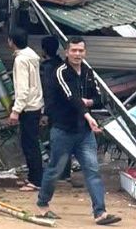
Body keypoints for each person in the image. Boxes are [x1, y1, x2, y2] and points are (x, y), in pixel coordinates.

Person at [36, 37, 121, 225]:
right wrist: (88, 115)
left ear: (85, 53)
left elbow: (99, 98)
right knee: (54, 170)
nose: (77, 54)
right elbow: (71, 97)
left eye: (80, 51)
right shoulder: (61, 72)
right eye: (73, 50)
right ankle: (43, 203)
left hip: (84, 133)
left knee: (92, 170)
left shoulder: (88, 73)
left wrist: (89, 103)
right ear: (66, 52)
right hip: (63, 130)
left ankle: (100, 213)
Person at [7, 27, 44, 191]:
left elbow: (23, 88)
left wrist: (16, 111)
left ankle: (36, 180)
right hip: (35, 105)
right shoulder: (32, 56)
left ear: (11, 42)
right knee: (32, 143)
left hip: (28, 107)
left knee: (30, 144)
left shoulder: (21, 60)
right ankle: (34, 177)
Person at [39, 36, 72, 182]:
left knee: (57, 141)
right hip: (67, 108)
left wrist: (46, 113)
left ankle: (60, 173)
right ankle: (65, 172)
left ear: (44, 50)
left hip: (55, 109)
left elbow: (49, 92)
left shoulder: (48, 68)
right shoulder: (62, 64)